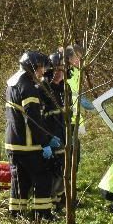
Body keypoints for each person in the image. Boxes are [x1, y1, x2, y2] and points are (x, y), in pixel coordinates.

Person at [5, 51, 61, 221]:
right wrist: (45, 141)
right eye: (41, 68)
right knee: (42, 177)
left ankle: (16, 213)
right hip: (29, 143)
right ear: (34, 67)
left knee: (19, 180)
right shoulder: (28, 87)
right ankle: (43, 214)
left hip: (13, 142)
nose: (43, 72)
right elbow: (33, 119)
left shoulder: (14, 82)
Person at [42, 51, 69, 212]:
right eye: (57, 70)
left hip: (62, 135)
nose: (60, 74)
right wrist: (47, 140)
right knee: (53, 172)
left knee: (62, 171)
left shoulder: (63, 89)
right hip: (51, 137)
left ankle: (59, 202)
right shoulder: (45, 89)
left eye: (63, 70)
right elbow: (41, 119)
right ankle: (51, 205)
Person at [64, 44, 95, 166]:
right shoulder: (64, 72)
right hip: (65, 117)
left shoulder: (76, 71)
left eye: (81, 58)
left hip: (74, 116)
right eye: (77, 57)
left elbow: (77, 92)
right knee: (71, 152)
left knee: (75, 152)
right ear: (68, 58)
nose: (79, 61)